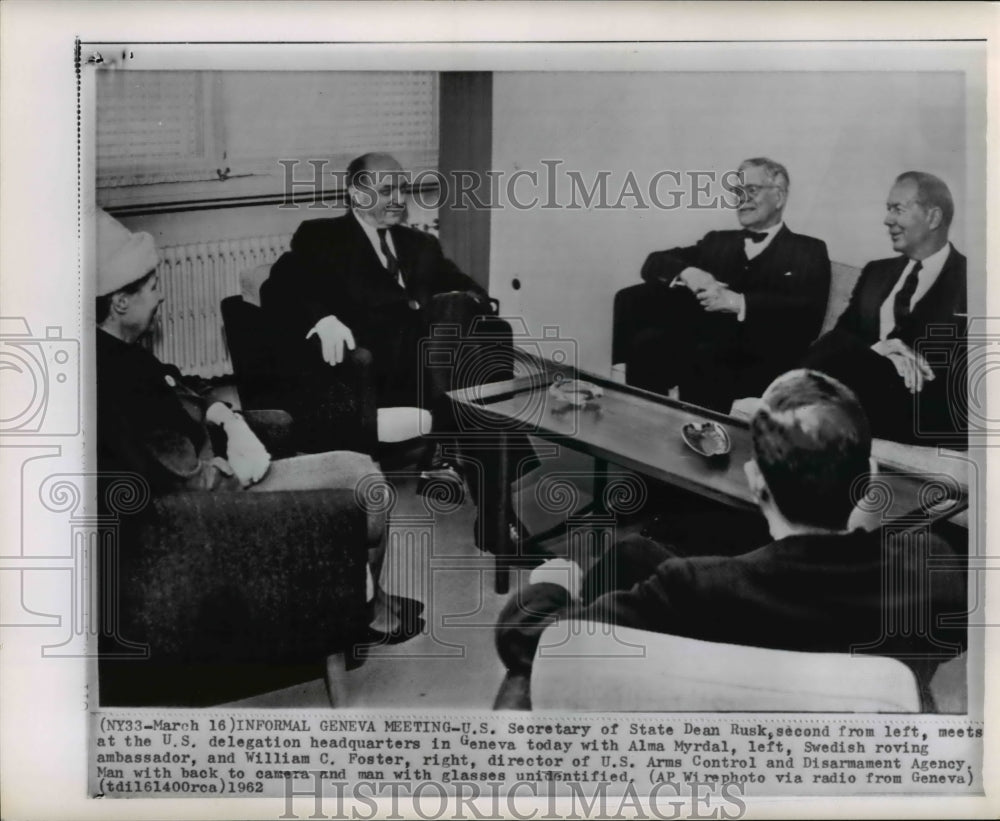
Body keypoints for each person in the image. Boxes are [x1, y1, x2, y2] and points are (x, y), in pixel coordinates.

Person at [496, 370, 967, 709]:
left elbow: (521, 634)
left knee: (623, 561)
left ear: (755, 481)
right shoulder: (934, 568)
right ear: (867, 481)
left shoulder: (694, 587)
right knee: (631, 553)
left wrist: (557, 579)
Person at [94, 208, 420, 646]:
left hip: (220, 470)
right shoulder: (121, 380)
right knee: (366, 481)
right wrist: (238, 461)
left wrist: (223, 414)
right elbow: (194, 487)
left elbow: (179, 385)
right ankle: (365, 614)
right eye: (153, 289)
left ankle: (366, 596)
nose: (161, 298)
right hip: (225, 505)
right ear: (120, 301)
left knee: (345, 462)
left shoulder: (116, 350)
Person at [262, 152, 535, 548]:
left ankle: (492, 514)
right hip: (374, 372)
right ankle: (496, 502)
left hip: (433, 369)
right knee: (471, 382)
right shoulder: (322, 237)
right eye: (386, 189)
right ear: (357, 195)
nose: (398, 199)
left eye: (402, 189)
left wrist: (470, 302)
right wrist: (323, 319)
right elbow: (278, 287)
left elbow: (468, 287)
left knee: (469, 317)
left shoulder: (421, 244)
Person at [623, 158, 831, 411]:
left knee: (707, 358)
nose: (742, 199)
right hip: (700, 346)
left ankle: (704, 442)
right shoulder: (718, 241)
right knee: (646, 343)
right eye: (737, 192)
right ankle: (641, 429)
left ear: (779, 197)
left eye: (752, 190)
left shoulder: (809, 250)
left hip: (760, 359)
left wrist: (737, 302)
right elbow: (654, 262)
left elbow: (808, 314)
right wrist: (690, 272)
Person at [802, 171, 967, 445]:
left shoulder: (976, 282)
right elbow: (837, 343)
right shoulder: (875, 272)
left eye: (897, 209)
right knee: (827, 349)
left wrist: (883, 357)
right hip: (857, 399)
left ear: (934, 218)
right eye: (888, 209)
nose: (887, 220)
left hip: (923, 414)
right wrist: (881, 349)